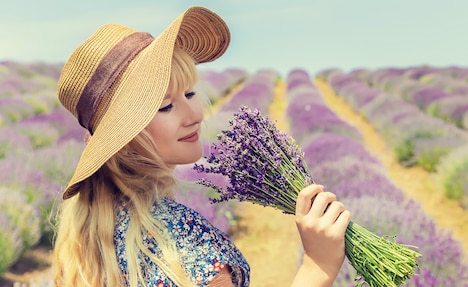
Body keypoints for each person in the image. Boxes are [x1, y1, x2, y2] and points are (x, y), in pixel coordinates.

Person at [52, 6, 351, 287]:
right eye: (166, 106)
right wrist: (317, 266)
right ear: (123, 139)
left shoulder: (86, 237)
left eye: (191, 92)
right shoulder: (184, 241)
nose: (195, 114)